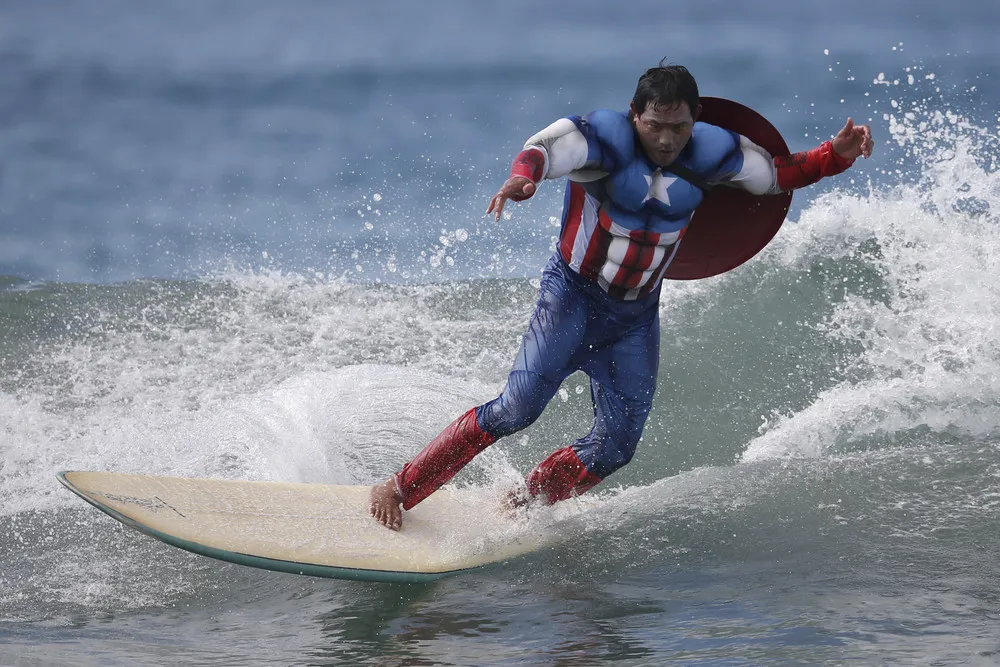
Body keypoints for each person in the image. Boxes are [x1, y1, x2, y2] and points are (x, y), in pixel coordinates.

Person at [369, 62, 874, 530]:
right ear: (636, 115)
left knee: (616, 447)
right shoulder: (605, 140)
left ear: (694, 120)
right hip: (572, 296)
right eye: (655, 124)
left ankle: (528, 500)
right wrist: (522, 180)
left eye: (678, 127)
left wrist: (836, 155)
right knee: (516, 410)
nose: (666, 138)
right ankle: (398, 488)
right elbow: (543, 149)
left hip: (634, 314)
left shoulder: (713, 152)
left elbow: (780, 175)